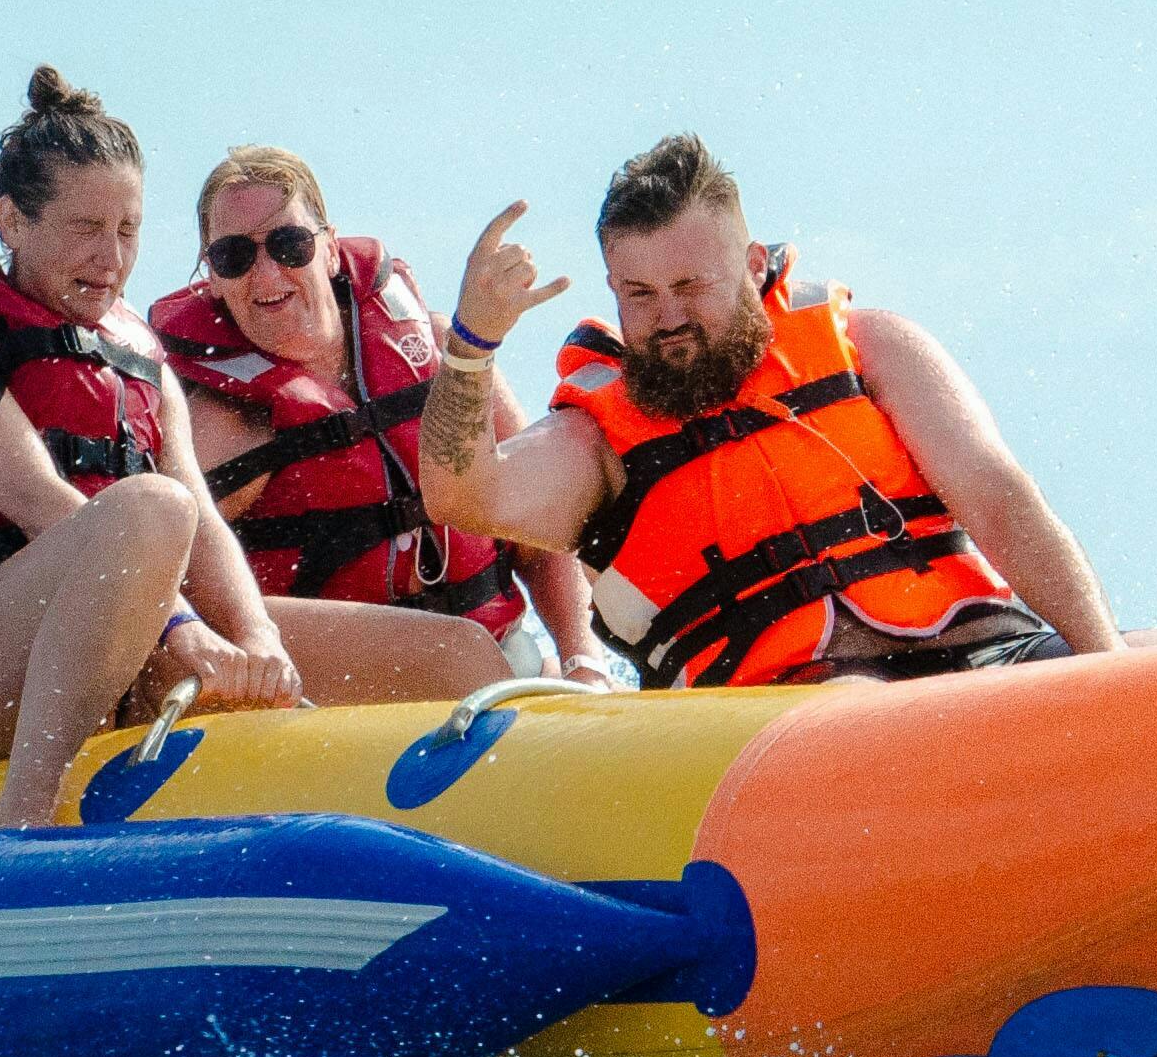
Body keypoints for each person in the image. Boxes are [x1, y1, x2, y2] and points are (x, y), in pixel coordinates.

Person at [0, 70, 498, 832]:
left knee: (456, 655)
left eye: (128, 230)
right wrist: (188, 633)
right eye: (85, 228)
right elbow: (45, 505)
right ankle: (25, 817)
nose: (111, 257)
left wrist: (259, 644)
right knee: (150, 510)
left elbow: (207, 529)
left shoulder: (136, 354)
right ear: (12, 219)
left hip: (131, 651)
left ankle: (532, 840)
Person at [415, 133, 1119, 689]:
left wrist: (1110, 670)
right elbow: (459, 493)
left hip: (985, 653)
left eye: (691, 286)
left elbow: (999, 499)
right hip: (789, 720)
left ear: (754, 265)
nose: (668, 320)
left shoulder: (869, 347)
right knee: (859, 705)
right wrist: (473, 344)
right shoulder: (598, 440)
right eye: (641, 295)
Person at [148, 144, 612, 686]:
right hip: (343, 704)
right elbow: (149, 589)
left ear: (328, 248)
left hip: (502, 664)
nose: (267, 274)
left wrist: (585, 662)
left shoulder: (443, 352)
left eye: (288, 243)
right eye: (233, 256)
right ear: (211, 275)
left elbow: (540, 538)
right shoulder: (220, 425)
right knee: (456, 652)